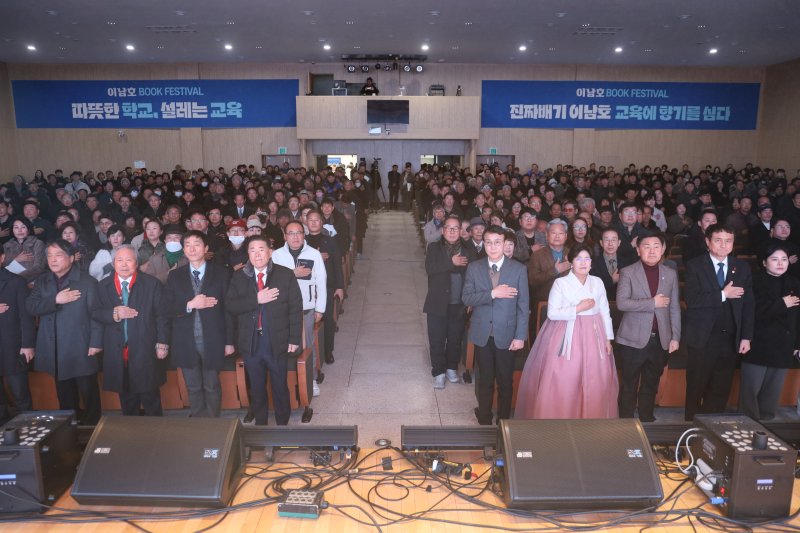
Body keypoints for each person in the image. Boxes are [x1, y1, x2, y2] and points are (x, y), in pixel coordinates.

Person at [514, 244, 617, 419]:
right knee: (566, 377)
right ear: (570, 262)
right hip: (567, 332)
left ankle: (590, 417)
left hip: (594, 334)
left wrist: (608, 338)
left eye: (587, 259)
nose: (583, 263)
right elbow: (552, 313)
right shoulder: (561, 283)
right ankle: (563, 416)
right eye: (578, 259)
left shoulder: (597, 282)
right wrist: (577, 308)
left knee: (594, 378)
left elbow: (605, 311)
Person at [225, 235, 302, 425]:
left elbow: (295, 308)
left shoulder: (285, 275)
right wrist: (256, 300)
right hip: (251, 342)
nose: (257, 254)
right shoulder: (239, 276)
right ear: (248, 254)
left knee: (279, 385)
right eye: (252, 250)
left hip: (276, 340)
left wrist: (294, 338)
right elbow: (230, 305)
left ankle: (282, 424)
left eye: (261, 249)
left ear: (270, 252)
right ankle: (260, 425)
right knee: (257, 387)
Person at [27, 239, 103, 425]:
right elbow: (31, 307)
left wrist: (96, 342)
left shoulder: (87, 281)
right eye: (50, 256)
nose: (53, 260)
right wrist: (55, 300)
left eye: (58, 255)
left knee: (88, 391)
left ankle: (93, 428)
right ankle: (71, 429)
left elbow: (97, 315)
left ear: (70, 258)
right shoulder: (43, 281)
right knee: (65, 394)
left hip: (81, 345)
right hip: (55, 348)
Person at [683, 224, 754, 421]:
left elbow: (748, 304)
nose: (723, 245)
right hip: (702, 339)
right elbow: (692, 300)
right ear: (708, 242)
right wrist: (723, 294)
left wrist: (746, 336)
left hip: (729, 340)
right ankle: (691, 429)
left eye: (728, 241)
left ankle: (712, 430)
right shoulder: (695, 265)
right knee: (696, 387)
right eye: (718, 240)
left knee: (720, 389)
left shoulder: (741, 267)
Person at [163, 230, 235, 418]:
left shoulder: (221, 273)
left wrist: (229, 341)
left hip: (213, 338)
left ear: (206, 248)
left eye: (197, 244)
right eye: (188, 245)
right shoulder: (174, 276)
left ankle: (213, 423)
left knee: (212, 385)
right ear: (183, 250)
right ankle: (198, 424)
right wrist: (190, 304)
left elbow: (228, 309)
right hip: (185, 339)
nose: (192, 248)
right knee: (193, 385)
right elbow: (167, 308)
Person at [462, 225, 529, 425]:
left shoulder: (518, 269)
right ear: (483, 243)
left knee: (505, 381)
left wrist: (520, 336)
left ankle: (503, 421)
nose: (493, 247)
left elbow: (523, 306)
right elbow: (466, 298)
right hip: (483, 332)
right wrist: (492, 293)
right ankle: (483, 417)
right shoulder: (474, 267)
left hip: (507, 334)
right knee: (485, 379)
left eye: (497, 242)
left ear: (504, 244)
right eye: (488, 242)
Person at [92, 245, 169, 416]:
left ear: (137, 262)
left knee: (150, 396)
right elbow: (94, 312)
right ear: (113, 263)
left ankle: (158, 435)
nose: (124, 264)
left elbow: (162, 316)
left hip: (145, 347)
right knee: (127, 398)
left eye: (129, 260)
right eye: (119, 260)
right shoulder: (103, 286)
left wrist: (162, 342)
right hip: (117, 349)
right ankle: (131, 436)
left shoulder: (151, 284)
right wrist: (113, 313)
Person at [615, 232, 681, 422]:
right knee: (629, 384)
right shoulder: (627, 272)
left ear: (663, 249)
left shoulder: (670, 274)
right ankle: (626, 422)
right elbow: (622, 303)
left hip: (660, 339)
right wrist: (652, 302)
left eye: (656, 246)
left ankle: (646, 419)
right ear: (638, 250)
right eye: (646, 246)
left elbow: (675, 307)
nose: (652, 251)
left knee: (651, 384)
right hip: (632, 340)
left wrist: (675, 337)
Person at [738, 244, 800, 420]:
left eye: (784, 259)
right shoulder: (754, 280)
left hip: (783, 344)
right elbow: (751, 311)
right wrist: (781, 304)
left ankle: (766, 427)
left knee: (773, 391)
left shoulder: (794, 283)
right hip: (758, 342)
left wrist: (797, 344)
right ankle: (747, 425)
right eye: (774, 259)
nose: (780, 263)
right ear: (764, 263)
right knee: (750, 389)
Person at [271, 220, 326, 396]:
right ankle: (289, 381)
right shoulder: (276, 255)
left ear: (304, 234)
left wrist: (320, 309)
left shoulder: (313, 254)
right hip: (281, 310)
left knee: (307, 346)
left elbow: (321, 282)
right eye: (291, 233)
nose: (295, 237)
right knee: (284, 347)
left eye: (299, 233)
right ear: (285, 236)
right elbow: (271, 280)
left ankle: (311, 381)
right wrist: (292, 273)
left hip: (306, 309)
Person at [424, 215, 476, 389]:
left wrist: (470, 299)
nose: (453, 231)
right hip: (437, 301)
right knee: (437, 338)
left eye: (456, 228)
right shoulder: (433, 248)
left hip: (459, 302)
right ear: (443, 230)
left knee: (455, 338)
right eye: (449, 228)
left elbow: (473, 277)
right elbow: (430, 269)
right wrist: (450, 262)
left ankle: (451, 367)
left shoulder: (469, 249)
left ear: (461, 231)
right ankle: (438, 371)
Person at [0, 248, 35, 423]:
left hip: (12, 347)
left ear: (2, 258)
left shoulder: (16, 282)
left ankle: (28, 434)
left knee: (21, 396)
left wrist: (28, 344)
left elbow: (26, 316)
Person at [305, 209, 345, 365]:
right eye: (310, 220)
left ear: (322, 223)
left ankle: (328, 351)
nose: (314, 223)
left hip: (326, 286)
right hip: (307, 287)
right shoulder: (302, 241)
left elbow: (337, 264)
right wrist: (316, 256)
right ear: (306, 223)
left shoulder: (330, 240)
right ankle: (311, 354)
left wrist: (339, 286)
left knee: (328, 320)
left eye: (317, 220)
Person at [527, 219, 570, 310]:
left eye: (561, 233)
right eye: (553, 233)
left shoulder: (572, 254)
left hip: (568, 303)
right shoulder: (537, 255)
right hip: (544, 303)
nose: (557, 236)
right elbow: (532, 281)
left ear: (566, 236)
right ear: (547, 235)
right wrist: (555, 271)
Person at [3, 217, 46, 283]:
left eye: (23, 227)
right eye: (16, 227)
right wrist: (16, 260)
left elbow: (39, 267)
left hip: (34, 282)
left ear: (28, 229)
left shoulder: (38, 243)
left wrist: (17, 279)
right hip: (10, 283)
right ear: (12, 230)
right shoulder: (6, 246)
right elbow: (4, 266)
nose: (20, 230)